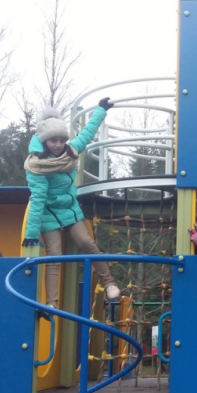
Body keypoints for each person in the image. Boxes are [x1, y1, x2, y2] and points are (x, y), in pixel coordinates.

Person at [23, 98, 120, 308]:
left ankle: (109, 282)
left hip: (70, 209)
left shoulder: (70, 151)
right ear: (45, 141)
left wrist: (101, 110)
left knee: (87, 243)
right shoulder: (37, 165)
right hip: (48, 212)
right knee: (54, 256)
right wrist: (31, 234)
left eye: (61, 140)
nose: (58, 145)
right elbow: (38, 198)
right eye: (53, 141)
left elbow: (86, 133)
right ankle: (51, 303)